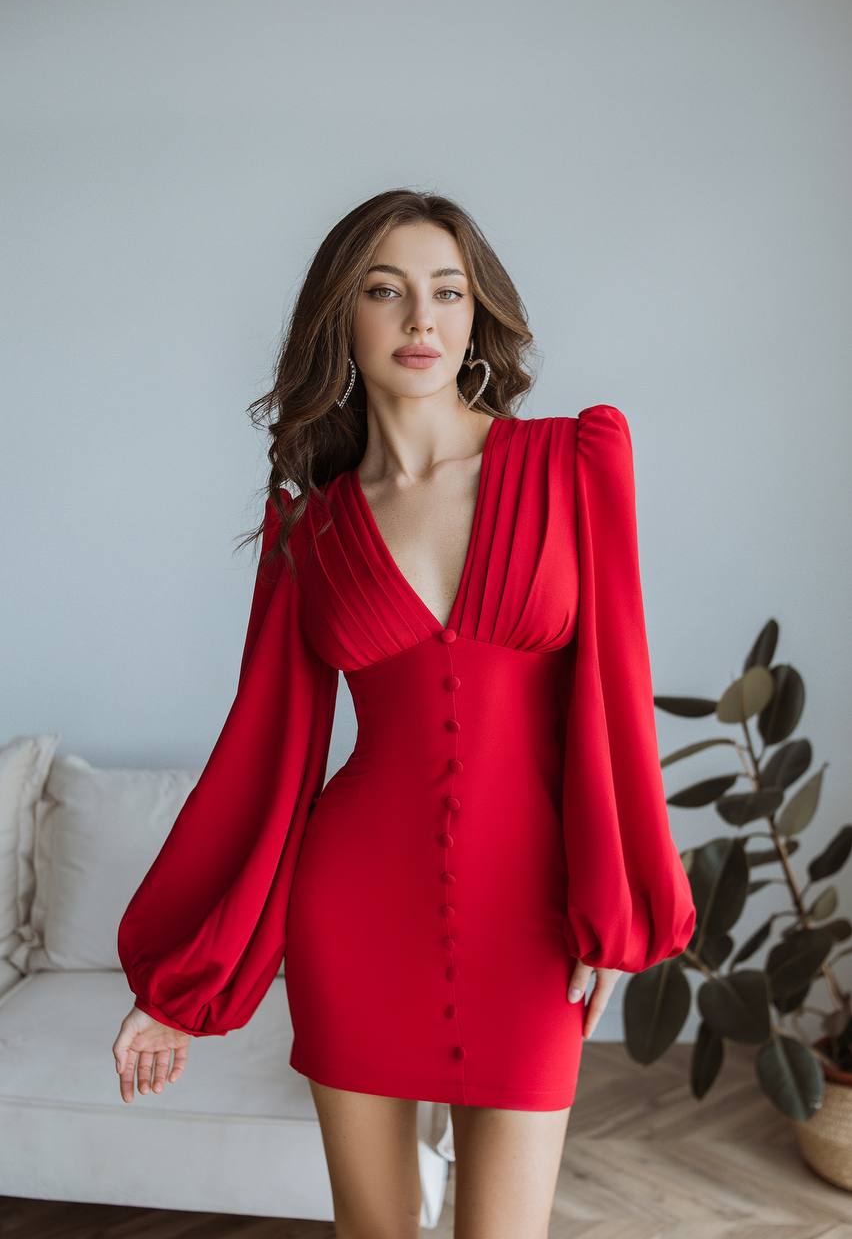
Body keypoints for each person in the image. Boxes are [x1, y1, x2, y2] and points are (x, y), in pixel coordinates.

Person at [112, 189, 696, 1239]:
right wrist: (177, 987)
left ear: (477, 315)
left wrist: (613, 903)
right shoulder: (309, 528)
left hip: (531, 910)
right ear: (341, 316)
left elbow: (614, 695)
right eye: (385, 291)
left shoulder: (571, 461)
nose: (421, 319)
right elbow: (263, 754)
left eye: (447, 292)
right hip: (354, 910)